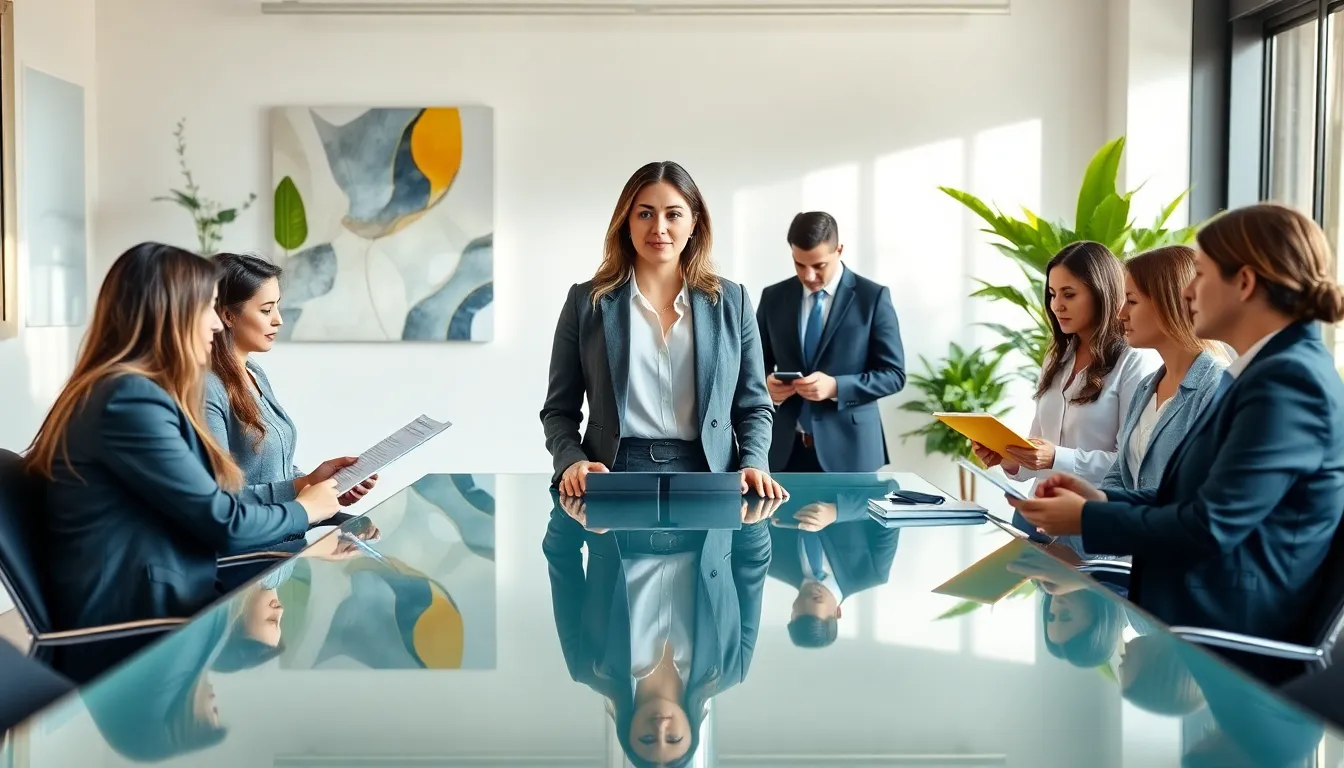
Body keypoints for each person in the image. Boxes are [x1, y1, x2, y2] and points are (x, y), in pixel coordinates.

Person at [1008, 202, 1344, 684]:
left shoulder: (1287, 383)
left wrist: (1089, 517)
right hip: (1189, 615)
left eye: (1200, 274)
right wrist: (1099, 499)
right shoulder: (1259, 374)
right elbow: (1190, 501)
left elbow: (1210, 527)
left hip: (1225, 641)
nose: (1186, 291)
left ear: (1244, 283)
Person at [23, 243, 342, 635]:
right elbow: (223, 522)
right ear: (169, 314)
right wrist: (305, 510)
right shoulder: (128, 401)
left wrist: (302, 490)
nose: (215, 323)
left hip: (169, 596)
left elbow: (213, 501)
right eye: (208, 307)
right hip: (143, 621)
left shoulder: (130, 392)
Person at [540, 161, 784, 498]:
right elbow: (558, 411)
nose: (659, 228)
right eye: (644, 214)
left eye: (673, 214)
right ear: (626, 221)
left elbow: (754, 405)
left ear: (694, 222)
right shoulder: (586, 302)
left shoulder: (733, 301)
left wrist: (754, 461)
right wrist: (571, 461)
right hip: (612, 476)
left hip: (713, 477)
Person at [543, 498, 770, 768]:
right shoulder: (731, 669)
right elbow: (752, 567)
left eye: (648, 739)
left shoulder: (588, 667)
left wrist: (570, 511)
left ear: (627, 734)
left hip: (620, 508)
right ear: (691, 731)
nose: (661, 727)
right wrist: (754, 524)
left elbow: (561, 558)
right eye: (673, 739)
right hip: (707, 508)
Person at [204, 253, 375, 532]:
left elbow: (273, 467)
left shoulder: (254, 372)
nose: (278, 320)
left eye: (277, 308)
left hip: (285, 536)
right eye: (266, 310)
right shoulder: (207, 387)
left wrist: (319, 484)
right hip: (255, 545)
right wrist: (303, 491)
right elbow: (220, 502)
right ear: (227, 315)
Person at [973, 241, 1159, 485]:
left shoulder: (1134, 359)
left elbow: (1132, 463)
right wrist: (1009, 457)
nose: (1056, 305)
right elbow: (1037, 452)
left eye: (1068, 294)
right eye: (1052, 294)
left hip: (1094, 514)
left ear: (1101, 292)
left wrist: (1056, 458)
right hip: (1042, 511)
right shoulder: (1057, 357)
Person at [756, 212, 905, 473]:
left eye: (819, 265)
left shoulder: (873, 298)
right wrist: (766, 385)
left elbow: (894, 375)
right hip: (783, 451)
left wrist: (836, 386)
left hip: (852, 453)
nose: (809, 275)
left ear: (839, 250)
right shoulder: (773, 297)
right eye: (799, 265)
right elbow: (753, 365)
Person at [1100, 245, 1227, 494]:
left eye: (1132, 301)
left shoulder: (1217, 388)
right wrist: (1084, 506)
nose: (1121, 314)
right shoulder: (1146, 387)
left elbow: (1199, 494)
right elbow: (1119, 475)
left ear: (1171, 302)